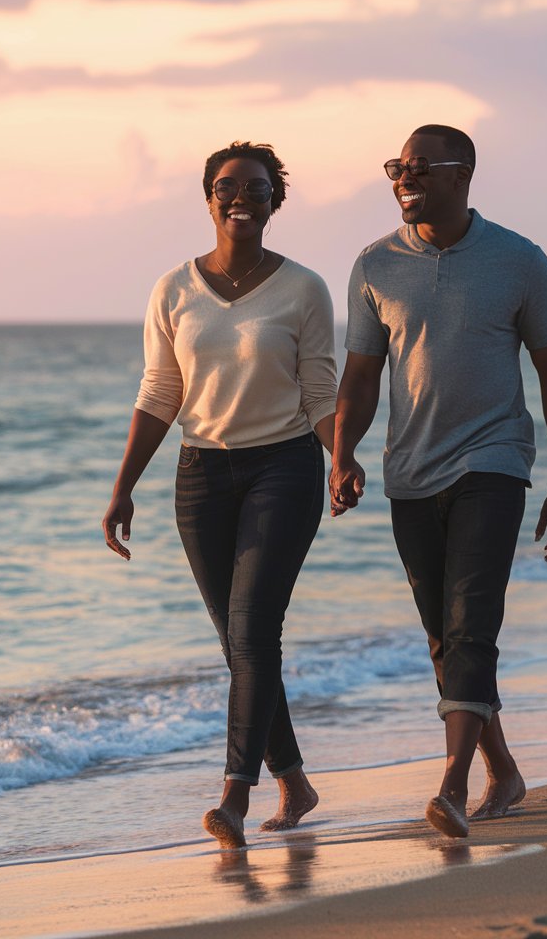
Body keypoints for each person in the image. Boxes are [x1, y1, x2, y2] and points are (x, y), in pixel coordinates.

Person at [330, 124, 547, 840]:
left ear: (462, 174)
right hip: (409, 473)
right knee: (445, 639)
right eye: (395, 168)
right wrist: (342, 454)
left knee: (472, 625)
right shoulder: (375, 265)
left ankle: (451, 786)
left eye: (418, 167)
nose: (402, 178)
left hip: (493, 462)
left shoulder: (520, 261)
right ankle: (503, 769)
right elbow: (360, 374)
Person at [103, 141, 338, 849]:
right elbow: (161, 393)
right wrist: (123, 489)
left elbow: (320, 392)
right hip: (201, 476)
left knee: (253, 631)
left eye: (257, 187)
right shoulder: (172, 289)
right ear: (208, 199)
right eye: (227, 186)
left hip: (285, 469)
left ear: (276, 200)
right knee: (239, 642)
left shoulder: (304, 289)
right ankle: (293, 778)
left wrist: (344, 458)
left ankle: (234, 796)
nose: (242, 196)